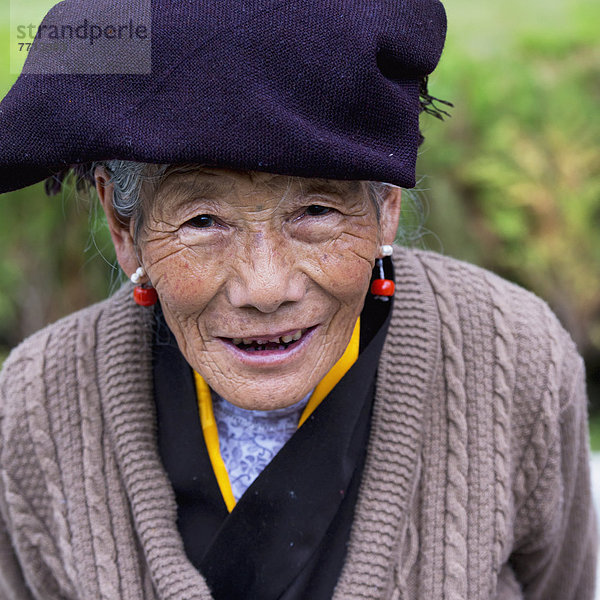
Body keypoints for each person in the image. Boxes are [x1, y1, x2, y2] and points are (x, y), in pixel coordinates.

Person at [0, 1, 596, 599]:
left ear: (386, 203)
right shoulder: (36, 405)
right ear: (124, 227)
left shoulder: (514, 358)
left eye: (315, 211)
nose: (264, 288)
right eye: (204, 220)